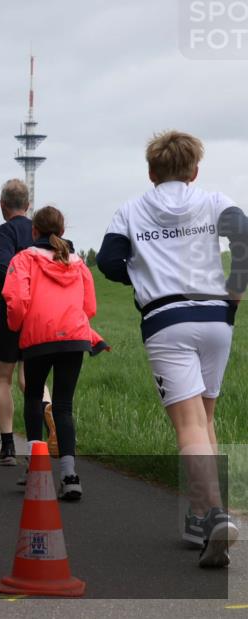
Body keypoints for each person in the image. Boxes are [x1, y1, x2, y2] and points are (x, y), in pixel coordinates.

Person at [97, 130, 244, 567]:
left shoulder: (132, 209)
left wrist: (143, 276)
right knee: (205, 418)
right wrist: (233, 299)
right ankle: (200, 516)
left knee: (188, 427)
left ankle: (215, 514)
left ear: (151, 172)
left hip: (167, 320)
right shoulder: (215, 201)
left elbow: (107, 261)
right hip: (217, 318)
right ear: (195, 170)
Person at [4, 206, 108, 500]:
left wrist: (17, 327)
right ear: (62, 232)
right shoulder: (78, 264)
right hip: (74, 338)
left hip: (37, 338)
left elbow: (16, 299)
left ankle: (34, 467)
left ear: (34, 231)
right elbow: (90, 308)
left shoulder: (23, 259)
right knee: (63, 406)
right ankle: (70, 475)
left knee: (34, 398)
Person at [0, 179, 51, 465]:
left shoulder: (4, 232)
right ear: (28, 205)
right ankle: (44, 428)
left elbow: (5, 270)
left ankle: (7, 446)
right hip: (40, 313)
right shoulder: (39, 231)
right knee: (32, 378)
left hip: (12, 312)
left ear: (3, 205)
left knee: (2, 378)